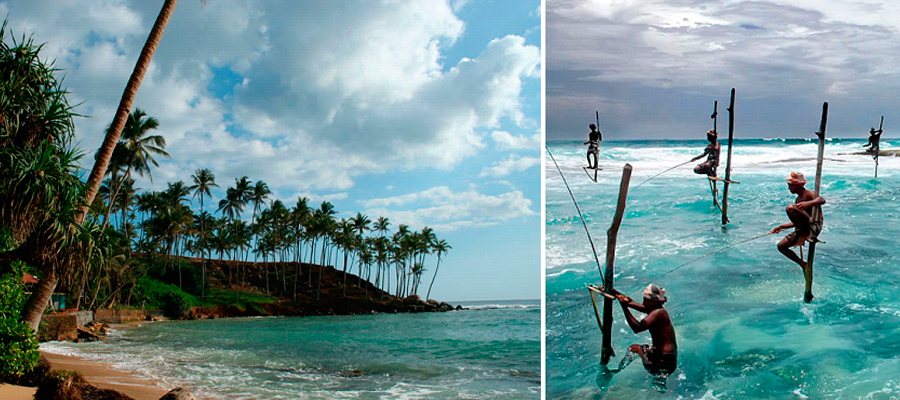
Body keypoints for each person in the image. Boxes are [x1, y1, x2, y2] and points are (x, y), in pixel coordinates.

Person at [614, 284, 678, 378]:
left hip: (660, 362)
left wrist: (624, 308)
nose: (643, 302)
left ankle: (617, 370)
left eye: (646, 300)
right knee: (659, 371)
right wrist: (612, 291)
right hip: (670, 363)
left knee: (633, 348)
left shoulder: (659, 313)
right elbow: (630, 302)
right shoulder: (656, 309)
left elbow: (637, 328)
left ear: (654, 301)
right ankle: (660, 380)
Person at [768, 172, 825, 272]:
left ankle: (803, 234)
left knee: (790, 208)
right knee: (781, 246)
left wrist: (809, 203)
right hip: (804, 227)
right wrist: (781, 227)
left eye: (791, 185)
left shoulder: (808, 194)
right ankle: (803, 264)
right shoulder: (798, 199)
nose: (789, 188)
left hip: (814, 226)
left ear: (798, 185)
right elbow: (798, 222)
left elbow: (821, 200)